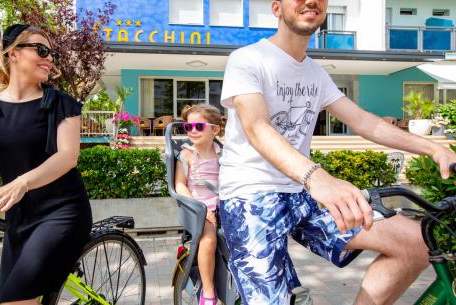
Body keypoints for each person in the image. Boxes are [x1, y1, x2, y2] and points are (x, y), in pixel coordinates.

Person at [217, 1, 456, 305]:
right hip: (250, 195)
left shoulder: (315, 73)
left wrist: (433, 148)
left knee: (416, 244)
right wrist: (317, 177)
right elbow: (256, 126)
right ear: (277, 8)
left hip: (300, 193)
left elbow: (364, 121)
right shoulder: (247, 59)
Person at [0, 24, 92, 305]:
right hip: (19, 219)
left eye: (52, 54)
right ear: (12, 53)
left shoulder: (60, 103)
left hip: (62, 213)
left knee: (15, 302)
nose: (49, 58)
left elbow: (67, 156)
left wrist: (22, 182)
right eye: (41, 50)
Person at [174, 104, 222, 305]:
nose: (193, 131)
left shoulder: (222, 153)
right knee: (209, 240)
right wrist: (200, 208)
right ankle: (208, 293)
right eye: (188, 127)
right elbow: (179, 185)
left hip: (222, 205)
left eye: (199, 126)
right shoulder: (187, 154)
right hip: (198, 208)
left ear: (215, 129)